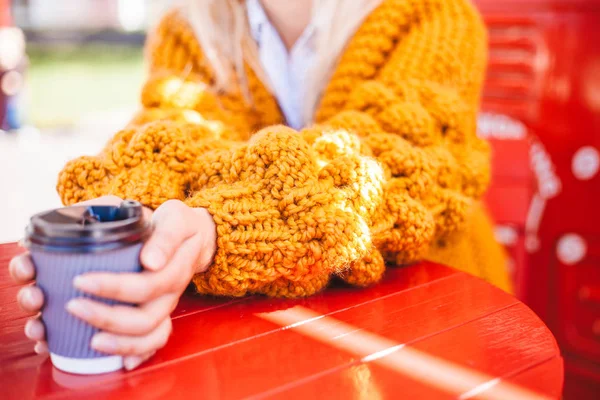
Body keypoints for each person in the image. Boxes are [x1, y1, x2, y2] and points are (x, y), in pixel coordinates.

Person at [9, 0, 511, 371]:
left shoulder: (432, 16)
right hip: (253, 334)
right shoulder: (190, 27)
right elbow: (173, 133)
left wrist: (219, 225)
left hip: (425, 321)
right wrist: (135, 223)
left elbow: (392, 160)